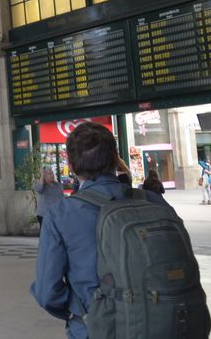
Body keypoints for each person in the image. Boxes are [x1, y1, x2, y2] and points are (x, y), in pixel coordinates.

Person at [31, 122, 172, 338]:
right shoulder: (155, 202)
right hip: (162, 324)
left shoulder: (61, 214)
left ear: (70, 163)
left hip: (95, 329)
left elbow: (47, 293)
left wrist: (81, 311)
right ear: (116, 159)